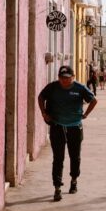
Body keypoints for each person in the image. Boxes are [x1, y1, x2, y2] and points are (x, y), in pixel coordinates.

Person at [38, 65, 97, 202]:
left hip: (75, 127)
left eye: (67, 78)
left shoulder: (80, 88)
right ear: (58, 77)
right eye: (61, 78)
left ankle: (74, 180)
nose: (64, 81)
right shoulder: (52, 87)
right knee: (58, 158)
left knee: (74, 156)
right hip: (57, 126)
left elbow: (93, 100)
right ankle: (57, 187)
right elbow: (41, 97)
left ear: (73, 77)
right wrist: (44, 113)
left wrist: (86, 114)